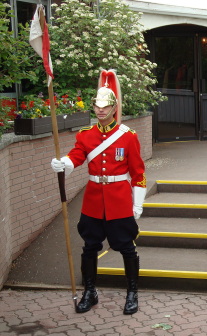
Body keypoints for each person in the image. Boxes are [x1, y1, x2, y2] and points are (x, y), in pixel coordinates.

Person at [50, 69, 147, 315]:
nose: (101, 110)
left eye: (106, 106)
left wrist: (137, 205)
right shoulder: (86, 135)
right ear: (94, 107)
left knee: (126, 247)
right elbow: (77, 157)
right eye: (97, 106)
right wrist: (65, 163)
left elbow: (138, 173)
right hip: (93, 201)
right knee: (90, 247)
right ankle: (90, 292)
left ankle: (132, 293)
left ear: (114, 108)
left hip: (120, 201)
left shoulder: (128, 137)